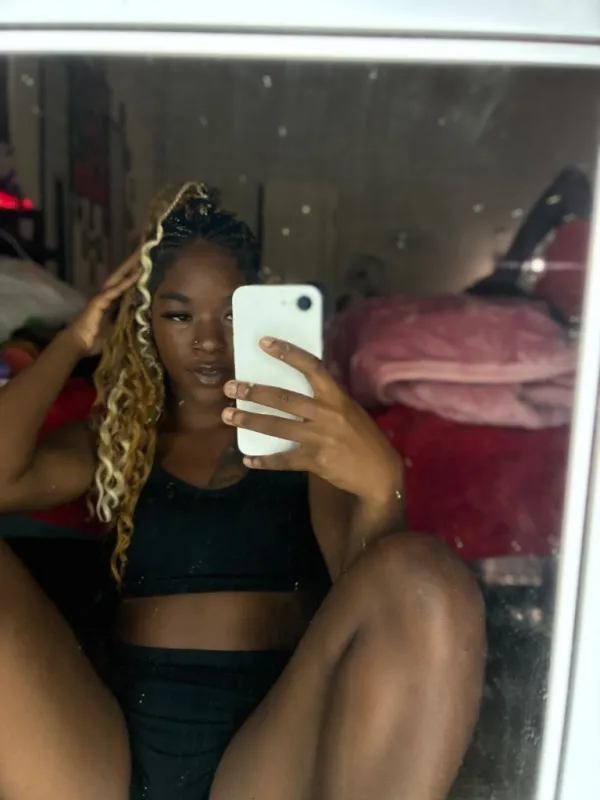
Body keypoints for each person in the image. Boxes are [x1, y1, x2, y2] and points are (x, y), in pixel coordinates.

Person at [0, 181, 485, 800]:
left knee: (425, 575)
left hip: (264, 760)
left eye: (231, 315)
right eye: (179, 315)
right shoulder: (118, 437)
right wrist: (71, 342)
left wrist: (382, 488)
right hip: (106, 759)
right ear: (145, 324)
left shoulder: (304, 440)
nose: (207, 340)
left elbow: (378, 606)